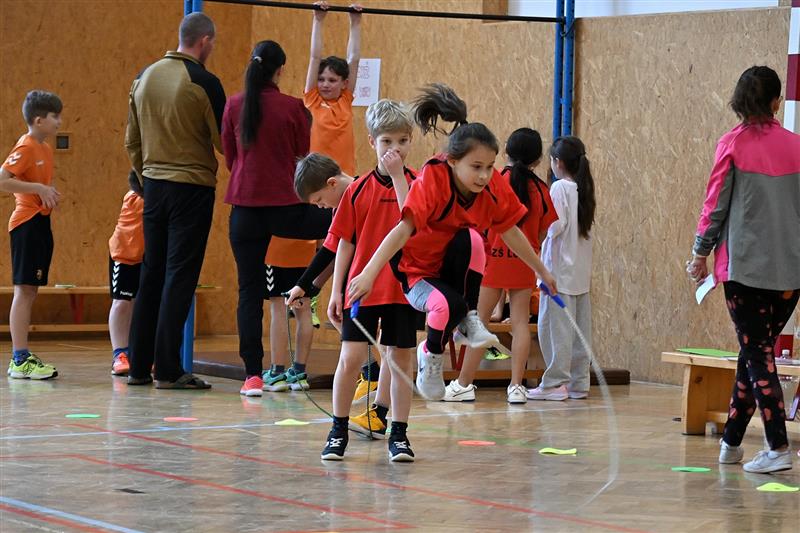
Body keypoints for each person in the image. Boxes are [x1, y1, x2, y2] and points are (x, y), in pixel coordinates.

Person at [347, 84, 558, 402]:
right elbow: (402, 231)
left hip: (451, 268)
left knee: (473, 238)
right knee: (445, 305)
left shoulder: (490, 187)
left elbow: (513, 231)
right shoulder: (433, 179)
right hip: (415, 269)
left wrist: (543, 271)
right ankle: (429, 357)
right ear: (453, 162)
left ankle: (468, 315)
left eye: (489, 167)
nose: (485, 175)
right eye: (476, 167)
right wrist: (368, 273)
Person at [687, 65, 800, 474]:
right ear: (776, 102)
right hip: (791, 274)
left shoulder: (731, 144)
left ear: (737, 101)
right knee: (755, 355)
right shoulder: (798, 145)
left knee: (758, 354)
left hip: (745, 272)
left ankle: (777, 447)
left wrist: (700, 252)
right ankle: (732, 442)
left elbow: (714, 204)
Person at [222, 40, 331, 397]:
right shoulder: (292, 108)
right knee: (344, 231)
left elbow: (230, 154)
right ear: (280, 70)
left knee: (248, 292)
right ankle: (318, 294)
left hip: (245, 208)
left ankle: (253, 375)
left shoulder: (235, 105)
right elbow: (303, 159)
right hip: (287, 207)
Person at [125, 12, 225, 389]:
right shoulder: (203, 81)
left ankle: (137, 366)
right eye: (212, 44)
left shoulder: (143, 77)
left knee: (150, 274)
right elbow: (223, 142)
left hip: (152, 186)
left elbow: (130, 142)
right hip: (192, 189)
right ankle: (167, 368)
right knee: (179, 275)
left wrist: (148, 177)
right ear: (204, 41)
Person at [319, 99, 418, 461]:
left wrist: (397, 178)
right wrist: (337, 289)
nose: (395, 149)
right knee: (351, 358)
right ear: (372, 140)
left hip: (402, 290)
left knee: (400, 359)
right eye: (387, 141)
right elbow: (345, 242)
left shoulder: (417, 184)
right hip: (362, 289)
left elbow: (412, 221)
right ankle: (338, 429)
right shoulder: (358, 189)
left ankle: (399, 433)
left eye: (402, 141)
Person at [445, 128, 557, 404]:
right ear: (538, 159)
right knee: (519, 323)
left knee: (479, 321)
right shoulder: (542, 189)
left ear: (505, 152)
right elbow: (544, 232)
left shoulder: (494, 181)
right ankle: (517, 387)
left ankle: (464, 384)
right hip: (523, 261)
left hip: (490, 260)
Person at [287, 154, 385, 414]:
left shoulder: (363, 191)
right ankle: (373, 375)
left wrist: (306, 285)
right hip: (358, 283)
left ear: (331, 183)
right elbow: (333, 250)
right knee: (350, 329)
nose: (321, 207)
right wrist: (307, 286)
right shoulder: (342, 204)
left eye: (319, 200)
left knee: (385, 342)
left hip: (384, 281)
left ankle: (382, 394)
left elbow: (330, 249)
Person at [526, 136, 595, 402]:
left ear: (557, 162)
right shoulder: (583, 188)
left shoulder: (558, 188)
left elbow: (555, 226)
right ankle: (579, 382)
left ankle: (555, 383)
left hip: (558, 271)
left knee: (555, 329)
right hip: (579, 271)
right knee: (579, 331)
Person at [1, 90, 62, 380]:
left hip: (40, 224)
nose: (59, 122)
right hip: (25, 224)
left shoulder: (45, 149)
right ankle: (19, 358)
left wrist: (46, 194)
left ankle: (22, 355)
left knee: (30, 290)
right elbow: (2, 180)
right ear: (39, 120)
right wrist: (38, 190)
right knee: (24, 290)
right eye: (55, 117)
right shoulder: (25, 147)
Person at [304, 1, 362, 175]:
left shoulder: (345, 99)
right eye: (321, 79)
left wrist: (355, 22)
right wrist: (318, 20)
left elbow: (354, 59)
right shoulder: (312, 98)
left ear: (344, 83)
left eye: (332, 80)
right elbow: (315, 57)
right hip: (315, 175)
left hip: (343, 175)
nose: (325, 84)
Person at [107, 170, 145, 376]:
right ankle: (119, 354)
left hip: (146, 258)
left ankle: (137, 352)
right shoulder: (133, 199)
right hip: (125, 256)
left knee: (140, 305)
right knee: (122, 302)